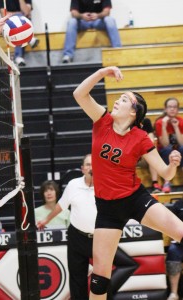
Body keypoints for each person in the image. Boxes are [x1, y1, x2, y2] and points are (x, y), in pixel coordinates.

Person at [72, 66, 183, 300]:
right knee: (100, 279)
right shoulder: (102, 121)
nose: (117, 101)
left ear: (133, 112)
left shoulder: (140, 137)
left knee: (181, 231)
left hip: (135, 199)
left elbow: (166, 173)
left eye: (123, 100)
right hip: (107, 209)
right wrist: (103, 72)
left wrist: (172, 163)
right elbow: (79, 94)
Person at [37, 155, 112, 300]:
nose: (91, 167)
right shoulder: (73, 185)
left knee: (103, 277)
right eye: (88, 165)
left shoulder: (106, 184)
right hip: (77, 236)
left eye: (94, 164)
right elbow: (61, 205)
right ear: (82, 169)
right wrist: (46, 220)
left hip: (100, 238)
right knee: (77, 280)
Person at [0, 0, 39, 67]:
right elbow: (3, 14)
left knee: (20, 20)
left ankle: (18, 56)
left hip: (23, 24)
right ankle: (30, 39)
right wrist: (17, 14)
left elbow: (26, 11)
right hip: (10, 24)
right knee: (18, 17)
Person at [155, 97, 183, 193]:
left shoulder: (180, 121)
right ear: (165, 109)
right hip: (164, 153)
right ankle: (167, 181)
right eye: (170, 107)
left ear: (177, 109)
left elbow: (181, 143)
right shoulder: (159, 122)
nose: (172, 109)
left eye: (175, 107)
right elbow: (165, 144)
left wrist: (176, 127)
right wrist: (164, 126)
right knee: (168, 149)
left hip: (178, 151)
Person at [166, 199, 183, 300]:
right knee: (172, 251)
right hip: (180, 241)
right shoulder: (178, 204)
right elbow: (170, 222)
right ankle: (174, 293)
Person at [140, 117, 162, 193]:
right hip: (129, 154)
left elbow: (151, 139)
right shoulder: (126, 123)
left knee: (152, 149)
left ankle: (155, 183)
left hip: (142, 154)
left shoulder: (145, 121)